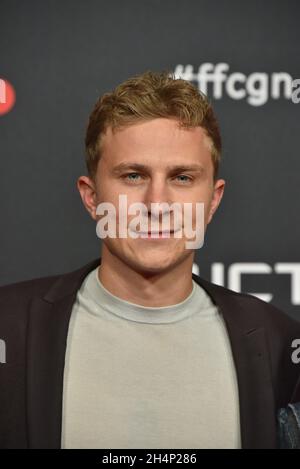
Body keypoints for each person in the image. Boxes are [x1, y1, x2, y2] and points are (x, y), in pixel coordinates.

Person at [0, 70, 299, 449]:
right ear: (91, 197)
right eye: (133, 176)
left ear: (214, 200)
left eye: (183, 178)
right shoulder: (8, 328)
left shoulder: (281, 345)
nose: (157, 205)